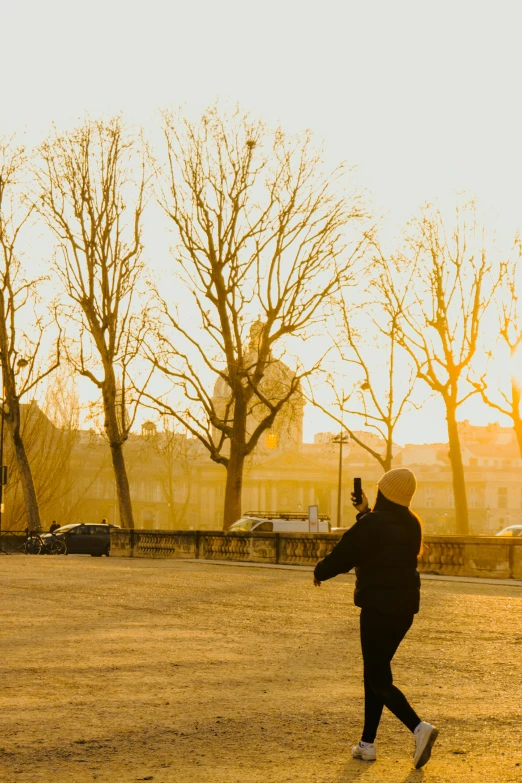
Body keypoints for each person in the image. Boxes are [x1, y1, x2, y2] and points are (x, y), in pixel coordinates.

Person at [313, 468, 438, 770]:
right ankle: (367, 744)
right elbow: (383, 539)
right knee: (376, 674)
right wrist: (364, 511)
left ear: (383, 492)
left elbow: (347, 552)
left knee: (378, 676)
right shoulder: (411, 523)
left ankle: (419, 728)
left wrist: (320, 571)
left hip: (377, 607)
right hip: (404, 609)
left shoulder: (373, 524)